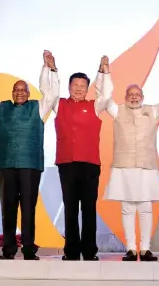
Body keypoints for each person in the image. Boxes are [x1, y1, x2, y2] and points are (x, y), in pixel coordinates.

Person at [0, 53, 58, 260]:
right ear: (12, 92)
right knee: (8, 208)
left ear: (29, 93)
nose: (20, 92)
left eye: (23, 90)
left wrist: (49, 69)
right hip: (6, 165)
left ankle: (29, 249)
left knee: (28, 208)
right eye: (17, 90)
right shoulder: (0, 107)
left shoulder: (38, 107)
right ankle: (9, 249)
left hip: (30, 165)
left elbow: (52, 93)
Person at [39, 51, 112, 261]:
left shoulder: (95, 106)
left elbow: (106, 95)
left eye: (83, 86)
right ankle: (71, 251)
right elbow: (47, 90)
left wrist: (104, 72)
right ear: (69, 87)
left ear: (87, 88)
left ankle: (89, 252)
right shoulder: (58, 103)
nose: (78, 89)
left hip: (89, 165)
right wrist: (50, 69)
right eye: (75, 86)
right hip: (67, 163)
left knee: (88, 209)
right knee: (70, 208)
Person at [103, 63, 159, 261]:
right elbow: (104, 98)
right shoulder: (117, 110)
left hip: (146, 166)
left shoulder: (152, 110)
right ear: (126, 97)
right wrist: (105, 73)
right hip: (124, 166)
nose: (134, 97)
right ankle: (130, 248)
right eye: (131, 94)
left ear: (142, 97)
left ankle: (144, 249)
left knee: (145, 207)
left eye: (138, 94)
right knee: (127, 208)